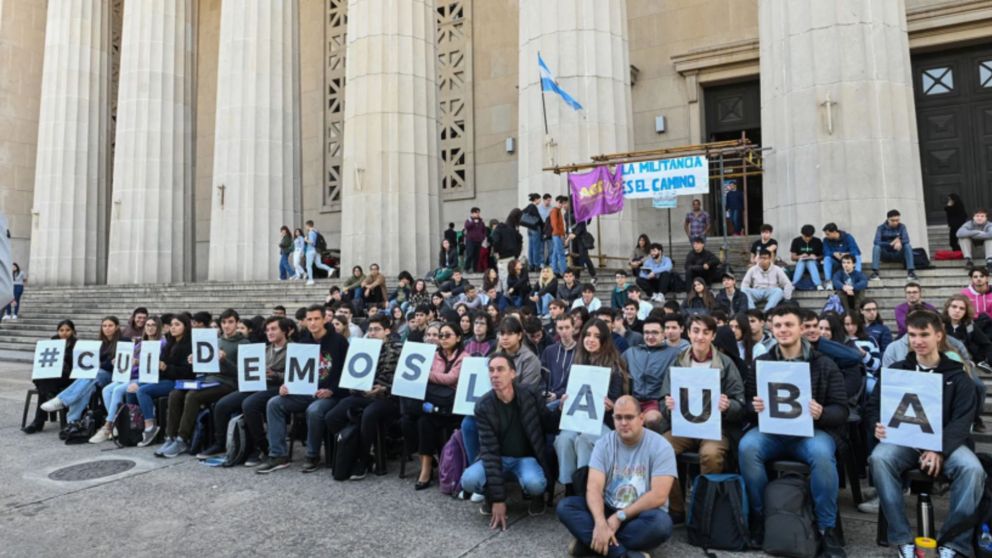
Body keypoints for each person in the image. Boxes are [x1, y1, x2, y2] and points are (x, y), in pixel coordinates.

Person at [867, 310, 984, 558]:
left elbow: (962, 421)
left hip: (946, 442)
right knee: (879, 458)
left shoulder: (958, 376)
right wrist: (876, 424)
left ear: (938, 336)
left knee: (973, 470)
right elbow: (874, 405)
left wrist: (938, 449)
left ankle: (953, 542)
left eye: (924, 334)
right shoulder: (897, 370)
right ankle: (902, 538)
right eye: (912, 335)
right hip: (904, 441)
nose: (917, 341)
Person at [738, 306, 848, 556]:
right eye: (777, 326)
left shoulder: (824, 364)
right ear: (771, 329)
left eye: (788, 325)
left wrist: (822, 413)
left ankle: (826, 529)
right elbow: (746, 403)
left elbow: (841, 410)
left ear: (801, 328)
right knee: (747, 447)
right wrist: (753, 406)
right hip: (771, 432)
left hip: (811, 432)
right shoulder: (762, 363)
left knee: (822, 455)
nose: (783, 330)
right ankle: (761, 519)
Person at [556, 395, 677, 558]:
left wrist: (619, 517)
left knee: (662, 524)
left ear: (641, 418)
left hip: (640, 513)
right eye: (618, 417)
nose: (623, 423)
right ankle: (621, 554)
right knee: (566, 507)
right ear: (613, 419)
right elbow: (593, 488)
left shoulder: (661, 446)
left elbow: (659, 496)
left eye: (629, 417)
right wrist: (600, 523)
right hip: (608, 508)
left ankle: (590, 546)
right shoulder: (603, 444)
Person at [659, 315, 745, 519]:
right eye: (696, 331)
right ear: (688, 333)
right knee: (662, 448)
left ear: (713, 335)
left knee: (711, 454)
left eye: (706, 332)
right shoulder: (678, 361)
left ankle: (705, 510)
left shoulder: (725, 363)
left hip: (715, 429)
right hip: (683, 427)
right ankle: (676, 508)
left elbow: (740, 402)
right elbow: (662, 399)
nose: (700, 336)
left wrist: (728, 406)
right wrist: (668, 406)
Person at [460, 352, 560, 523]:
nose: (495, 375)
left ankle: (536, 497)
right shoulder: (483, 405)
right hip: (498, 457)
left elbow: (549, 424)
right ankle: (490, 496)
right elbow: (490, 453)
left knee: (536, 484)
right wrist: (498, 499)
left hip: (526, 458)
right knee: (468, 480)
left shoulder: (530, 395)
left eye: (500, 369)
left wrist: (560, 410)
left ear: (513, 374)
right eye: (491, 370)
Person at [255, 304, 349, 473]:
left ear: (325, 319)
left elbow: (346, 372)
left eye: (316, 319)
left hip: (331, 394)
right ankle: (278, 455)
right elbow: (296, 371)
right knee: (274, 403)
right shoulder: (302, 342)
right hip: (305, 392)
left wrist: (332, 390)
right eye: (309, 319)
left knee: (314, 410)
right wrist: (287, 385)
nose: (312, 323)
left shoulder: (339, 342)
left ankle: (312, 455)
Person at [157, 309, 248, 458]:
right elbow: (205, 368)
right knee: (175, 393)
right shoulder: (216, 341)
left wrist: (225, 361)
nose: (227, 326)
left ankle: (182, 439)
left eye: (231, 322)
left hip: (228, 383)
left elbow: (243, 374)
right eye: (224, 322)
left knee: (192, 396)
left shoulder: (244, 343)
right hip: (207, 381)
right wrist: (197, 360)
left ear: (237, 323)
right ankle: (170, 437)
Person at [555, 320, 630, 494]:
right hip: (578, 420)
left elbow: (619, 402)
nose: (591, 339)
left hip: (603, 423)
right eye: (587, 335)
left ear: (604, 340)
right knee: (564, 439)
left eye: (596, 336)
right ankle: (569, 486)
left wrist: (612, 405)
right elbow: (571, 395)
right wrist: (564, 402)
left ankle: (586, 488)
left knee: (584, 440)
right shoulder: (577, 362)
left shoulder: (614, 366)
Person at [324, 315, 402, 480]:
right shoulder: (362, 349)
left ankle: (363, 459)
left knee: (370, 414)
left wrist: (383, 389)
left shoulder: (398, 349)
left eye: (377, 329)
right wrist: (353, 385)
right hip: (363, 395)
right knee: (332, 417)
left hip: (388, 398)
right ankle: (355, 447)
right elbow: (354, 377)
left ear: (387, 331)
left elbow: (404, 382)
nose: (372, 333)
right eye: (370, 330)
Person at [402, 322, 465, 489]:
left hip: (452, 408)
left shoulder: (465, 356)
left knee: (417, 415)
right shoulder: (434, 355)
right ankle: (426, 469)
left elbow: (452, 378)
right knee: (420, 421)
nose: (443, 339)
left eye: (447, 335)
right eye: (441, 335)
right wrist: (432, 377)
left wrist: (425, 374)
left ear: (458, 337)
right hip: (433, 404)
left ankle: (430, 466)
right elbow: (440, 379)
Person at [89, 317, 165, 443]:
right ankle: (117, 424)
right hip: (131, 376)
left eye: (153, 325)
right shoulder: (140, 344)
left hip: (147, 378)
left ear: (158, 327)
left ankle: (108, 426)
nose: (150, 328)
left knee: (118, 390)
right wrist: (119, 361)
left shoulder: (162, 343)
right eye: (147, 325)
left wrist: (138, 362)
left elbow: (155, 364)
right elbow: (129, 360)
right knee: (107, 390)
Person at [42, 316, 120, 435]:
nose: (107, 328)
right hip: (98, 377)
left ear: (117, 327)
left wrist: (102, 364)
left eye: (110, 326)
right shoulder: (101, 343)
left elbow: (114, 365)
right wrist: (102, 364)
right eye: (104, 326)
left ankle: (62, 400)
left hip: (114, 377)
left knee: (93, 374)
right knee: (87, 388)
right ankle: (73, 421)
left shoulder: (123, 340)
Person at [132, 313, 193, 447]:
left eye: (177, 325)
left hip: (177, 382)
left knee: (142, 391)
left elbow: (187, 372)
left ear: (186, 327)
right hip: (163, 378)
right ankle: (135, 426)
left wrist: (166, 368)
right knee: (132, 389)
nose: (173, 328)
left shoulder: (188, 345)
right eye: (171, 325)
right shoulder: (170, 343)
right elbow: (160, 364)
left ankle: (150, 427)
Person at [622, 316, 679, 432]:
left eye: (655, 333)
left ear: (663, 334)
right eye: (646, 333)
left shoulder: (674, 354)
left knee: (652, 419)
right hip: (634, 400)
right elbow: (615, 367)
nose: (650, 336)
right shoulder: (632, 352)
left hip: (656, 402)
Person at [23, 320, 77, 434]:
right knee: (44, 379)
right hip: (51, 378)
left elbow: (76, 365)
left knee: (44, 384)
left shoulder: (76, 344)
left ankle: (38, 421)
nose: (64, 333)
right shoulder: (52, 342)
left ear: (73, 331)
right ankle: (49, 395)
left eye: (68, 330)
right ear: (58, 331)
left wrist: (65, 358)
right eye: (61, 330)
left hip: (68, 378)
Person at [944, 294, 992, 365]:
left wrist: (976, 360)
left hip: (965, 362)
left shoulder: (969, 326)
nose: (957, 311)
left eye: (962, 308)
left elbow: (986, 344)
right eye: (954, 307)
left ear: (965, 312)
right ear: (948, 308)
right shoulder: (939, 324)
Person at [870, 209, 917, 281]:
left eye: (897, 220)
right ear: (888, 220)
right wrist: (891, 243)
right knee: (876, 247)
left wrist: (899, 242)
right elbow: (876, 242)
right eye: (893, 220)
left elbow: (906, 240)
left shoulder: (902, 227)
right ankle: (875, 273)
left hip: (898, 254)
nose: (895, 222)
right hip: (885, 254)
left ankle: (911, 272)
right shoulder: (881, 228)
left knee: (907, 246)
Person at [542, 315, 578, 405]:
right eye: (560, 328)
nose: (564, 331)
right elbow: (542, 376)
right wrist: (545, 392)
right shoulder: (549, 351)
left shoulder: (581, 352)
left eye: (567, 327)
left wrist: (557, 395)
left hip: (572, 398)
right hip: (549, 397)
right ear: (556, 329)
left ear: (573, 328)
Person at [495, 317, 541, 386]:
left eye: (509, 334)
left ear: (519, 335)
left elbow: (526, 390)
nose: (504, 338)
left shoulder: (529, 359)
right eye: (502, 334)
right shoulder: (496, 357)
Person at [790, 224, 824, 290]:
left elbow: (822, 256)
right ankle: (794, 284)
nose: (807, 238)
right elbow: (792, 257)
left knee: (810, 261)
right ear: (802, 234)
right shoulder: (796, 241)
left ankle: (818, 284)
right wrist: (800, 256)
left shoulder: (817, 241)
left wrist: (816, 257)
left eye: (810, 237)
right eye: (805, 237)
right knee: (802, 261)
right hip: (800, 265)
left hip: (814, 264)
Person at [304, 220, 336, 285]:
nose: (305, 227)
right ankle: (330, 269)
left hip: (310, 251)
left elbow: (312, 242)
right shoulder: (316, 232)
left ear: (308, 225)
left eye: (306, 226)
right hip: (317, 251)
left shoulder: (311, 232)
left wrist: (306, 240)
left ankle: (310, 280)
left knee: (308, 266)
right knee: (319, 264)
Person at [523, 193, 545, 272]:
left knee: (531, 247)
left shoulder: (528, 207)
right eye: (539, 199)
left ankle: (531, 265)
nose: (540, 201)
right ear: (536, 199)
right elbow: (538, 219)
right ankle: (536, 265)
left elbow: (522, 213)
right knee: (536, 247)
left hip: (529, 228)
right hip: (535, 228)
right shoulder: (533, 207)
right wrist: (543, 226)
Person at [550, 196, 569, 276]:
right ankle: (565, 272)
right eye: (560, 202)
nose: (561, 204)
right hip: (557, 235)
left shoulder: (558, 211)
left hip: (557, 235)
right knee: (561, 254)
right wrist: (561, 235)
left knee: (555, 254)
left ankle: (555, 270)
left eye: (563, 203)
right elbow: (554, 225)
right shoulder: (555, 211)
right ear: (557, 202)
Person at [464, 207, 487, 273]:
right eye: (477, 213)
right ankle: (466, 268)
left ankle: (475, 269)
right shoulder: (468, 220)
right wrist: (473, 222)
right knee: (470, 254)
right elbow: (467, 227)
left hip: (478, 241)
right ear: (472, 213)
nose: (478, 214)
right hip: (470, 240)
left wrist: (483, 237)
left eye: (479, 213)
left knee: (477, 256)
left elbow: (484, 230)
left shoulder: (481, 221)